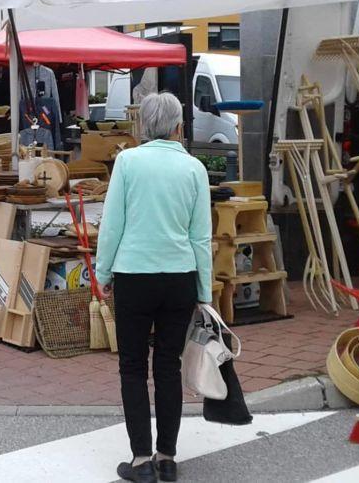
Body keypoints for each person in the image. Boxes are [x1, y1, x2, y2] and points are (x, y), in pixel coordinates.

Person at [95, 92, 212, 483]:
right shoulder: (194, 168)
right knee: (168, 365)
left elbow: (112, 224)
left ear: (143, 125)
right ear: (179, 126)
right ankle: (167, 457)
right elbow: (201, 236)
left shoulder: (128, 162)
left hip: (134, 274)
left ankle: (141, 459)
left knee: (132, 366)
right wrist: (205, 291)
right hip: (180, 276)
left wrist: (103, 273)